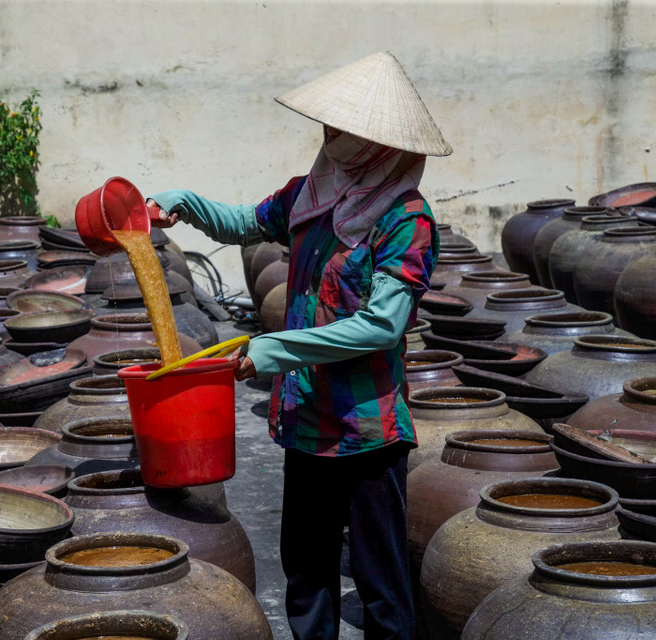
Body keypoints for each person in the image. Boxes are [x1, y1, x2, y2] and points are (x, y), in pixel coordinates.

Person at [145, 51, 452, 640]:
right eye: (329, 125)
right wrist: (185, 203)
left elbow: (382, 327)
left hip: (367, 429)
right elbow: (245, 222)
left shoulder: (404, 220)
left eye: (342, 129)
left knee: (381, 583)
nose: (329, 136)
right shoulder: (312, 193)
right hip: (308, 418)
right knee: (307, 576)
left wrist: (274, 350)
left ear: (376, 142)